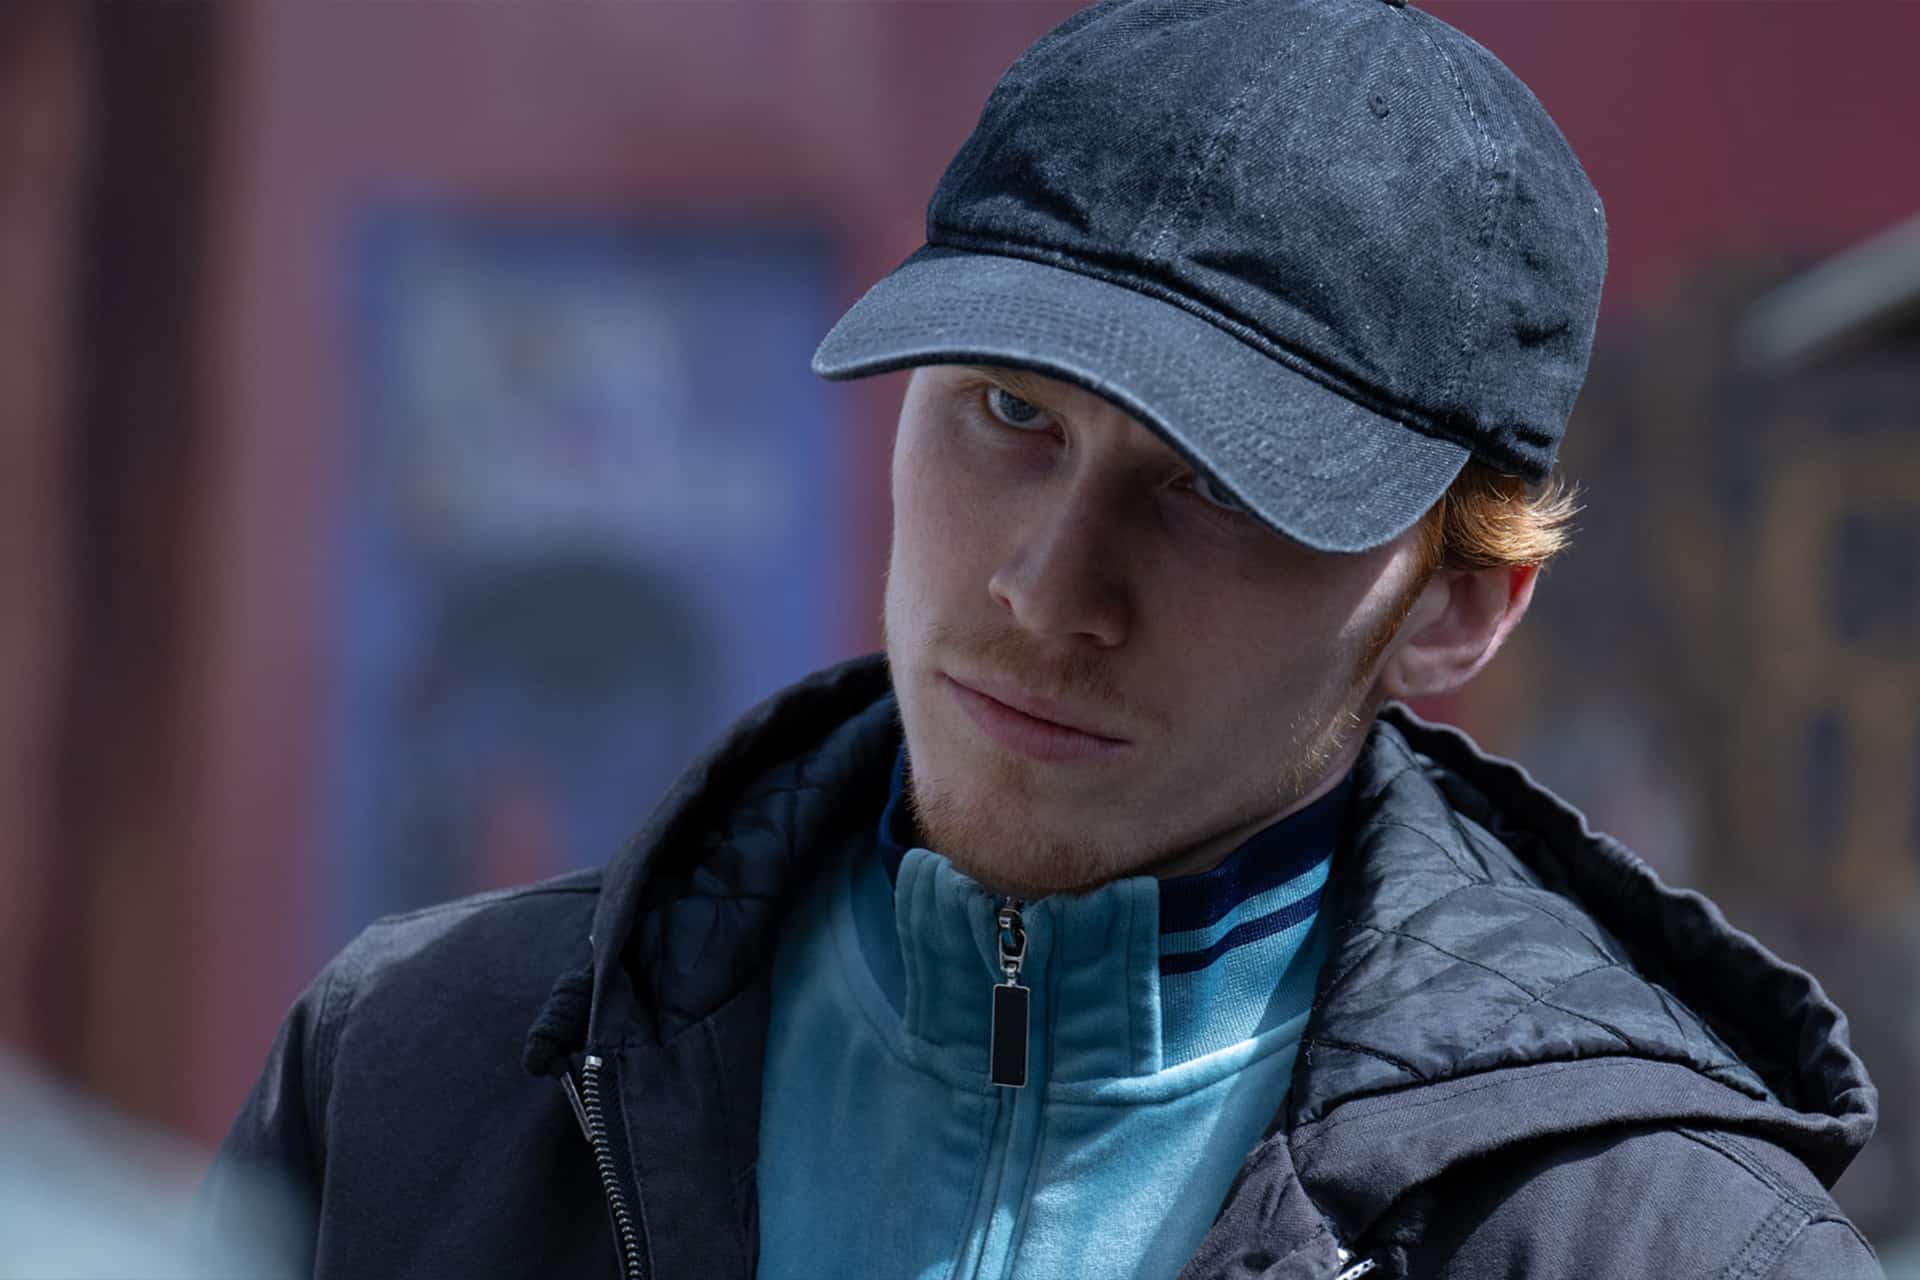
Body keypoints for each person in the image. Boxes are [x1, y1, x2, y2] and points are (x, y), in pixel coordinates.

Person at [201, 0, 1884, 1275]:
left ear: (1456, 606)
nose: (1048, 589)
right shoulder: (413, 1075)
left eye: (1215, 488)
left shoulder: (1664, 1247)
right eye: (1011, 411)